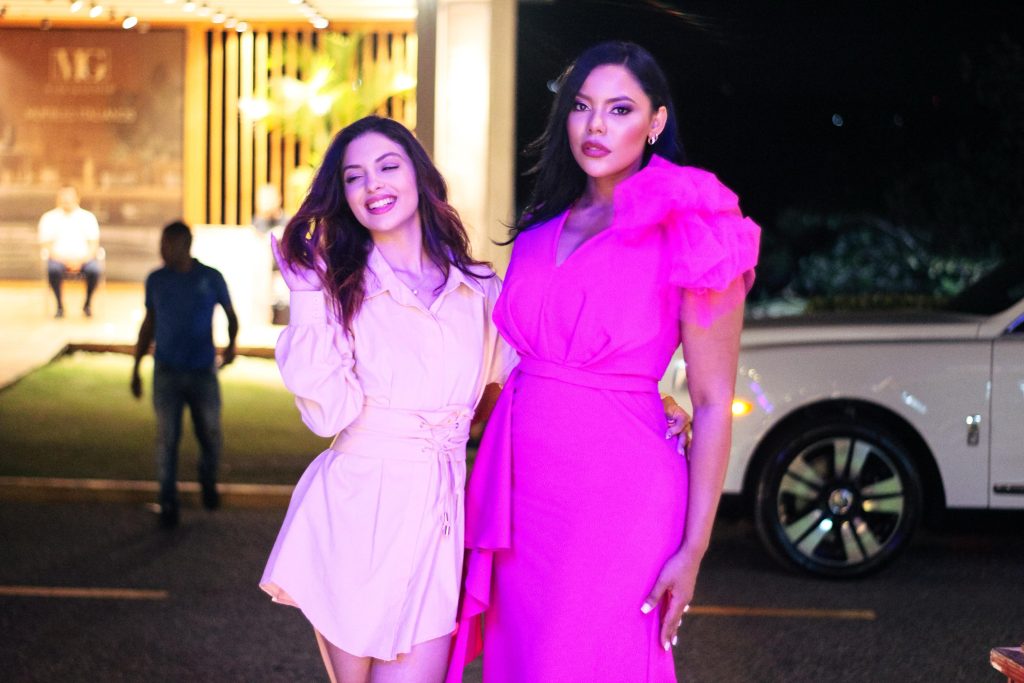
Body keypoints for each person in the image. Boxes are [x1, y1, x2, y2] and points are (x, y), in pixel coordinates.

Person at [447, 41, 761, 682]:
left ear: (656, 121)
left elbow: (711, 402)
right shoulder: (539, 224)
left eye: (620, 109)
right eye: (582, 106)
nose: (596, 125)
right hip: (520, 491)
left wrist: (694, 550)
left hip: (620, 496)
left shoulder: (694, 227)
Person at [258, 115, 522, 683]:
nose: (372, 184)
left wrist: (654, 404)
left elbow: (531, 381)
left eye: (387, 166)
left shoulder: (479, 288)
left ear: (419, 175)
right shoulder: (338, 288)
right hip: (355, 512)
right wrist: (307, 300)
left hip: (440, 519)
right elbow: (328, 414)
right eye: (354, 176)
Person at [130, 220, 239, 530]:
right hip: (167, 370)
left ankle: (208, 479)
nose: (163, 250)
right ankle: (168, 501)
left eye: (169, 244)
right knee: (167, 438)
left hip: (202, 370)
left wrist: (231, 346)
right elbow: (149, 322)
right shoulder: (156, 280)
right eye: (162, 243)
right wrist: (136, 367)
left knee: (211, 433)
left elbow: (231, 315)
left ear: (186, 245)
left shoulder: (210, 277)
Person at [38, 185, 103, 318]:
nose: (66, 199)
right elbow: (46, 245)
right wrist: (64, 261)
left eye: (69, 196)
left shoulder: (88, 217)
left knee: (94, 271)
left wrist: (80, 261)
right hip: (58, 259)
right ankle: (59, 306)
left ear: (77, 198)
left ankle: (87, 304)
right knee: (53, 270)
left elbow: (93, 245)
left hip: (84, 259)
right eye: (63, 196)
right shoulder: (49, 218)